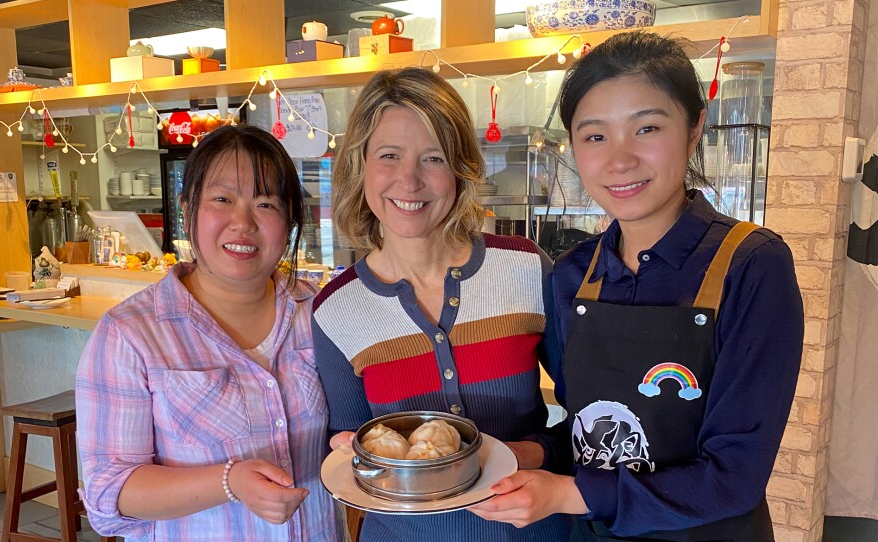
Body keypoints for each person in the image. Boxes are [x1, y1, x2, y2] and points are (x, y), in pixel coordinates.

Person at [470, 31, 804, 541]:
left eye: (646, 128)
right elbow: (589, 436)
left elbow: (734, 476)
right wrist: (522, 455)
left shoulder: (751, 264)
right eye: (595, 135)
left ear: (694, 130)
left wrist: (563, 495)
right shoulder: (571, 276)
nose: (619, 159)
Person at [312, 67, 573, 541]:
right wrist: (348, 449)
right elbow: (349, 451)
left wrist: (528, 454)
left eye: (432, 158)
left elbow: (588, 417)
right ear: (361, 165)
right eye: (389, 155)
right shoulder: (336, 310)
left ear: (459, 170)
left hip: (529, 532)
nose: (408, 180)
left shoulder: (524, 270)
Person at [76, 125, 341, 541]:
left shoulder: (322, 313)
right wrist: (228, 482)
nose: (243, 223)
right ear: (187, 209)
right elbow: (109, 492)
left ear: (290, 219)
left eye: (266, 203)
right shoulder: (131, 334)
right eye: (222, 199)